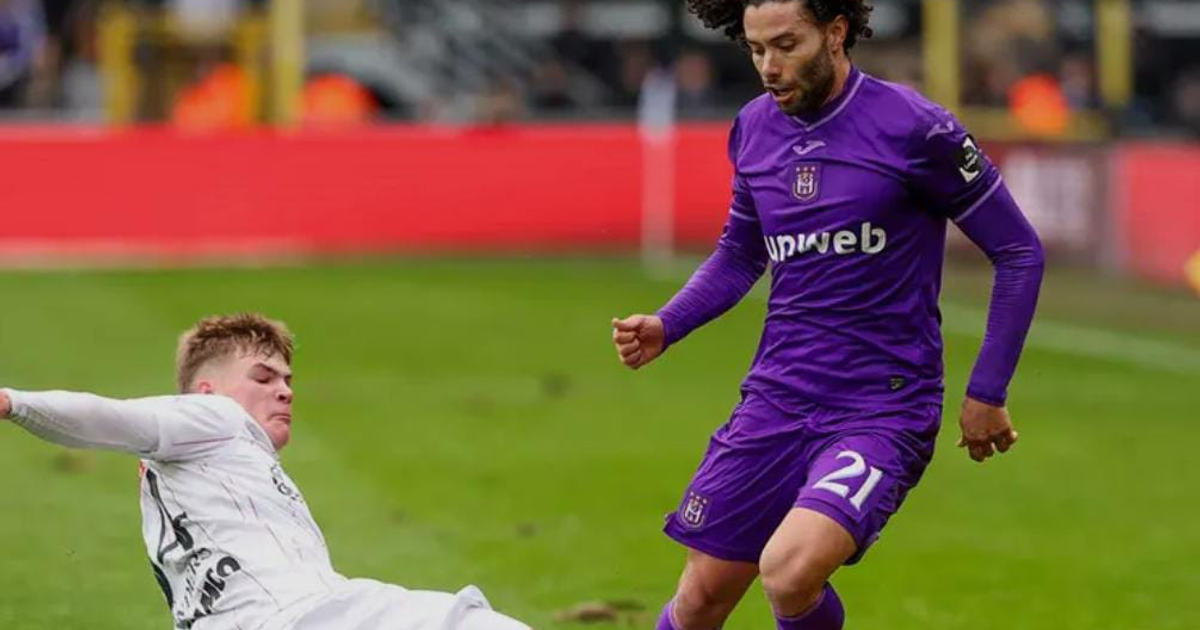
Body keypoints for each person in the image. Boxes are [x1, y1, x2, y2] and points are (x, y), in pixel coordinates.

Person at [610, 2, 1045, 629]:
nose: (769, 66)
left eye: (786, 45)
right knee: (701, 597)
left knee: (788, 571)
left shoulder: (915, 128)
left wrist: (987, 391)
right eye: (756, 49)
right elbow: (740, 253)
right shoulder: (754, 129)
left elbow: (1018, 251)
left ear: (836, 32)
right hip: (776, 399)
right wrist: (667, 322)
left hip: (881, 408)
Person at [1, 313, 530, 630]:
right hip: (301, 619)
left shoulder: (201, 466)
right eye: (263, 376)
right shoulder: (216, 417)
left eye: (288, 378)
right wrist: (13, 402)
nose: (285, 389)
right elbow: (110, 417)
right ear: (206, 391)